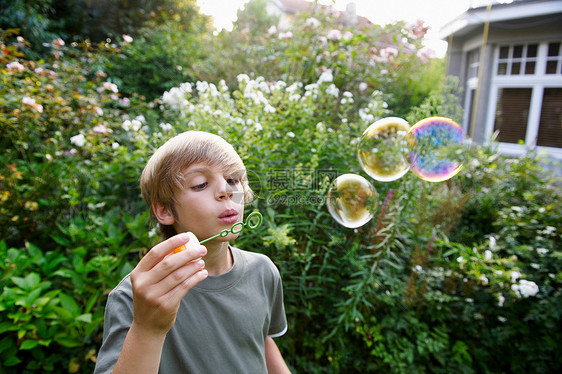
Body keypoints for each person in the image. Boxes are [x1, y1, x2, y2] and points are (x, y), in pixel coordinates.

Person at [94, 131, 290, 373]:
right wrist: (147, 328)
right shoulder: (138, 297)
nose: (225, 191)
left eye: (232, 180)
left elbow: (261, 341)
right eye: (200, 184)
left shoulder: (263, 271)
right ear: (165, 210)